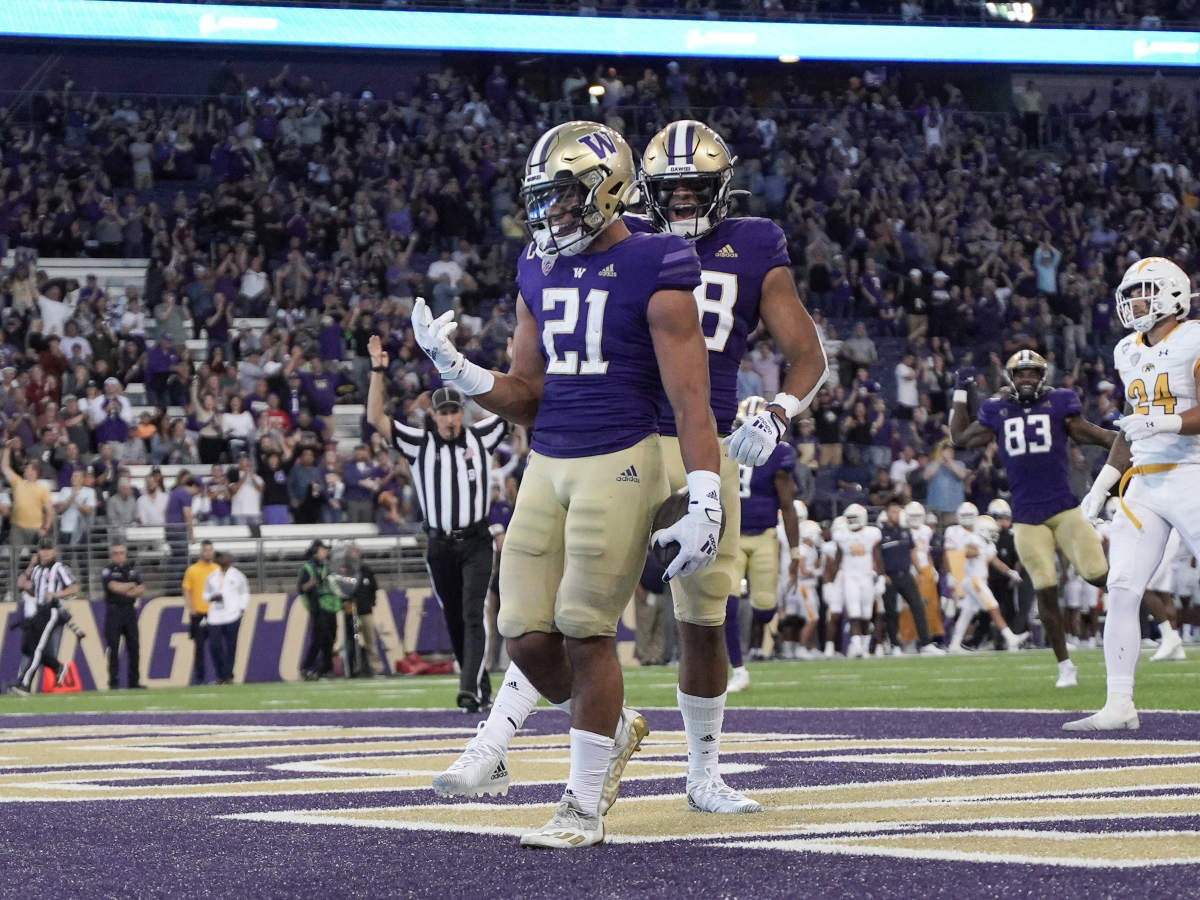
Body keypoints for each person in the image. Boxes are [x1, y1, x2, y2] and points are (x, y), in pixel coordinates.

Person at [417, 119, 718, 849]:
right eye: (542, 199)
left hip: (622, 455)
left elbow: (690, 399)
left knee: (587, 632)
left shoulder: (658, 260)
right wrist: (460, 370)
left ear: (606, 189)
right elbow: (526, 393)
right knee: (521, 633)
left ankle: (583, 805)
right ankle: (613, 731)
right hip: (547, 461)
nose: (551, 213)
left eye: (563, 196)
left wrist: (704, 491)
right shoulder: (536, 267)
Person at [1066, 257, 1200, 731]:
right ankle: (1118, 703)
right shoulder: (1127, 350)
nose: (1133, 303)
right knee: (1122, 588)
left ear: (1169, 295)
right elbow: (1128, 423)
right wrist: (1103, 486)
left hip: (1192, 472)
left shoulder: (1194, 338)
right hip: (1143, 479)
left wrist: (1162, 421)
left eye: (1142, 293)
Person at [951, 349, 1114, 687]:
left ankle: (1145, 624)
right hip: (1027, 516)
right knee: (1045, 588)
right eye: (1021, 373)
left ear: (1043, 377)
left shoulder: (1060, 403)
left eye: (1033, 373)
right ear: (1011, 377)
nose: (1027, 378)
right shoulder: (997, 410)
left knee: (1099, 575)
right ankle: (1064, 666)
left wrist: (1126, 442)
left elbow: (1091, 433)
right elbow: (960, 438)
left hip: (1065, 509)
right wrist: (961, 393)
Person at [371, 383, 508, 711]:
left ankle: (468, 688)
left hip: (476, 540)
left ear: (463, 412)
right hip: (439, 544)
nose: (450, 419)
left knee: (473, 613)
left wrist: (516, 360)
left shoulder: (480, 437)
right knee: (455, 618)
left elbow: (513, 408)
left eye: (454, 411)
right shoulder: (420, 444)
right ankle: (481, 689)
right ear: (432, 415)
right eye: (443, 412)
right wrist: (377, 371)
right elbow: (375, 417)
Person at [726, 395, 801, 690]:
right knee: (727, 605)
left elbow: (788, 504)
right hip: (731, 534)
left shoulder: (779, 455)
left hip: (764, 536)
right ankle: (738, 669)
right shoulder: (726, 449)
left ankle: (760, 625)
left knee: (765, 608)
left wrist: (795, 551)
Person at [946, 514, 1027, 653]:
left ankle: (954, 644)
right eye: (991, 531)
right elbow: (966, 552)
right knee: (994, 607)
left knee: (967, 612)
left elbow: (996, 561)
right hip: (974, 581)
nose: (994, 533)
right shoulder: (974, 539)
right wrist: (979, 550)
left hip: (978, 581)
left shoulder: (988, 543)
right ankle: (1010, 638)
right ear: (982, 530)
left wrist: (1009, 572)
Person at [9, 539, 78, 695]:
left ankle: (24, 685)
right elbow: (35, 589)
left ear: (53, 551)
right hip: (39, 611)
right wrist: (30, 589)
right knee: (28, 648)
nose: (46, 553)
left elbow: (74, 587)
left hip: (51, 610)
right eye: (43, 550)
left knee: (38, 649)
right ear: (38, 552)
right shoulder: (37, 570)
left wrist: (56, 594)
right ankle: (57, 667)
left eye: (48, 550)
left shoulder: (59, 568)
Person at [878, 500, 943, 655]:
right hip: (890, 577)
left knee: (918, 606)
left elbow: (912, 552)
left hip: (906, 575)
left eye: (898, 511)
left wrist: (920, 571)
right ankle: (894, 645)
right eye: (893, 511)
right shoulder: (880, 533)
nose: (896, 514)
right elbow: (876, 556)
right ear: (887, 514)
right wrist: (882, 575)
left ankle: (926, 643)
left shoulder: (905, 531)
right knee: (892, 611)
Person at [823, 504, 884, 659]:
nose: (852, 521)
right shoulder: (842, 535)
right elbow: (837, 560)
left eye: (854, 518)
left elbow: (877, 557)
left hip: (867, 576)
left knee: (866, 614)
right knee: (854, 611)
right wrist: (830, 583)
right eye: (849, 519)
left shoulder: (872, 533)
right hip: (850, 577)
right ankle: (856, 645)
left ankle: (864, 646)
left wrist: (881, 577)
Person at [202, 551, 249, 685]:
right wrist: (212, 597)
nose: (222, 559)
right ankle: (220, 674)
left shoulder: (238, 575)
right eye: (220, 557)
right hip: (215, 617)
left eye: (224, 557)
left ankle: (228, 676)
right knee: (215, 646)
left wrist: (242, 609)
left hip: (232, 615)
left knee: (231, 647)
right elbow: (204, 595)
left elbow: (244, 593)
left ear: (229, 560)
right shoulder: (212, 576)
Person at [102, 543, 145, 689]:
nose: (119, 556)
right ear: (111, 555)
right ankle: (113, 682)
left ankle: (134, 681)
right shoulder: (107, 570)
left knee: (134, 647)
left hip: (129, 611)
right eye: (115, 553)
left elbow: (141, 588)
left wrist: (125, 589)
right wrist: (130, 586)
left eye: (121, 553)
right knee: (113, 648)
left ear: (125, 554)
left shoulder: (132, 569)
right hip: (114, 612)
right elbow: (113, 587)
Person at [298, 539, 339, 680]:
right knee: (320, 639)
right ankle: (308, 668)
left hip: (331, 606)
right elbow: (301, 588)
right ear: (316, 552)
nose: (326, 552)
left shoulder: (328, 567)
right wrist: (313, 582)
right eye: (323, 550)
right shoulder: (308, 568)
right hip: (318, 607)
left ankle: (325, 669)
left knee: (331, 638)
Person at [342, 543, 384, 677]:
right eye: (353, 552)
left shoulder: (366, 570)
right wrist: (348, 609)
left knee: (370, 642)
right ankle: (353, 668)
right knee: (352, 642)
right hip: (352, 613)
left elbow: (373, 589)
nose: (356, 554)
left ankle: (375, 669)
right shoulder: (345, 571)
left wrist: (371, 604)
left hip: (366, 612)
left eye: (357, 552)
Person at [1, 441, 54, 547]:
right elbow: (4, 467)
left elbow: (50, 511)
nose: (28, 471)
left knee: (35, 557)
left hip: (36, 528)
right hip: (17, 527)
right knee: (14, 557)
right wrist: (7, 449)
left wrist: (45, 528)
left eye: (31, 469)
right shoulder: (17, 482)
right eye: (27, 469)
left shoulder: (43, 488)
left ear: (36, 472)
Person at [182, 540, 219, 685]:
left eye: (210, 550)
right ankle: (200, 678)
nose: (208, 553)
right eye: (205, 550)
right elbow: (186, 589)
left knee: (218, 647)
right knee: (199, 648)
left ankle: (221, 676)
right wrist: (191, 609)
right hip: (199, 614)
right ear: (201, 552)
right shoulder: (193, 570)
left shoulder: (217, 569)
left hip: (215, 615)